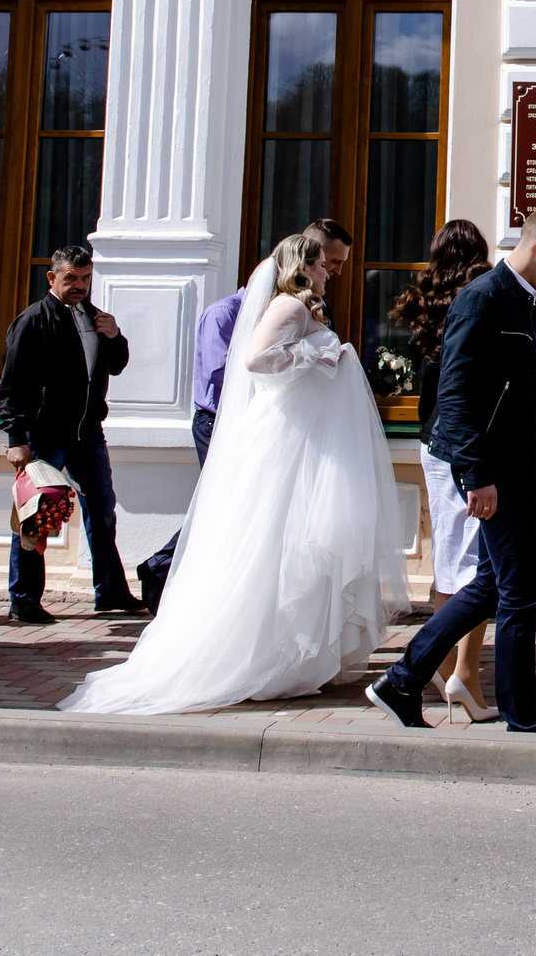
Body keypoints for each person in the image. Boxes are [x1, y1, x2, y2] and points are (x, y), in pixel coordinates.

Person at [58, 230, 408, 714]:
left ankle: (289, 653)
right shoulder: (289, 307)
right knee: (271, 546)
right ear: (303, 267)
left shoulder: (300, 308)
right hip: (286, 442)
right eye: (324, 265)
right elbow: (255, 360)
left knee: (289, 547)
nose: (330, 272)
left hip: (299, 440)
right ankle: (266, 654)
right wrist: (322, 354)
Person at [367, 206, 536, 733]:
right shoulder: (483, 298)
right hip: (498, 472)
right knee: (523, 589)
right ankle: (521, 714)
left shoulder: (524, 303)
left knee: (489, 585)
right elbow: (456, 395)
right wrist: (476, 473)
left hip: (521, 468)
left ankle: (402, 680)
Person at [385, 218, 498, 722]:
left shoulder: (428, 305)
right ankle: (462, 672)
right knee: (474, 562)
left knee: (449, 559)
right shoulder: (477, 302)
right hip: (464, 444)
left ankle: (445, 662)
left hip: (432, 440)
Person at [0, 243, 141, 623]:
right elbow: (10, 386)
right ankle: (24, 600)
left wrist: (115, 336)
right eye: (71, 278)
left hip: (89, 434)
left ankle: (110, 592)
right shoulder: (33, 320)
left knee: (103, 511)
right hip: (45, 435)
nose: (80, 285)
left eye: (86, 278)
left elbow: (118, 365)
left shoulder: (95, 317)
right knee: (35, 516)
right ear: (52, 278)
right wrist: (16, 438)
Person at [136, 281, 246, 614]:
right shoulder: (223, 313)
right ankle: (161, 565)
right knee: (221, 501)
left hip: (238, 422)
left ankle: (166, 567)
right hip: (215, 422)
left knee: (230, 503)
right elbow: (219, 372)